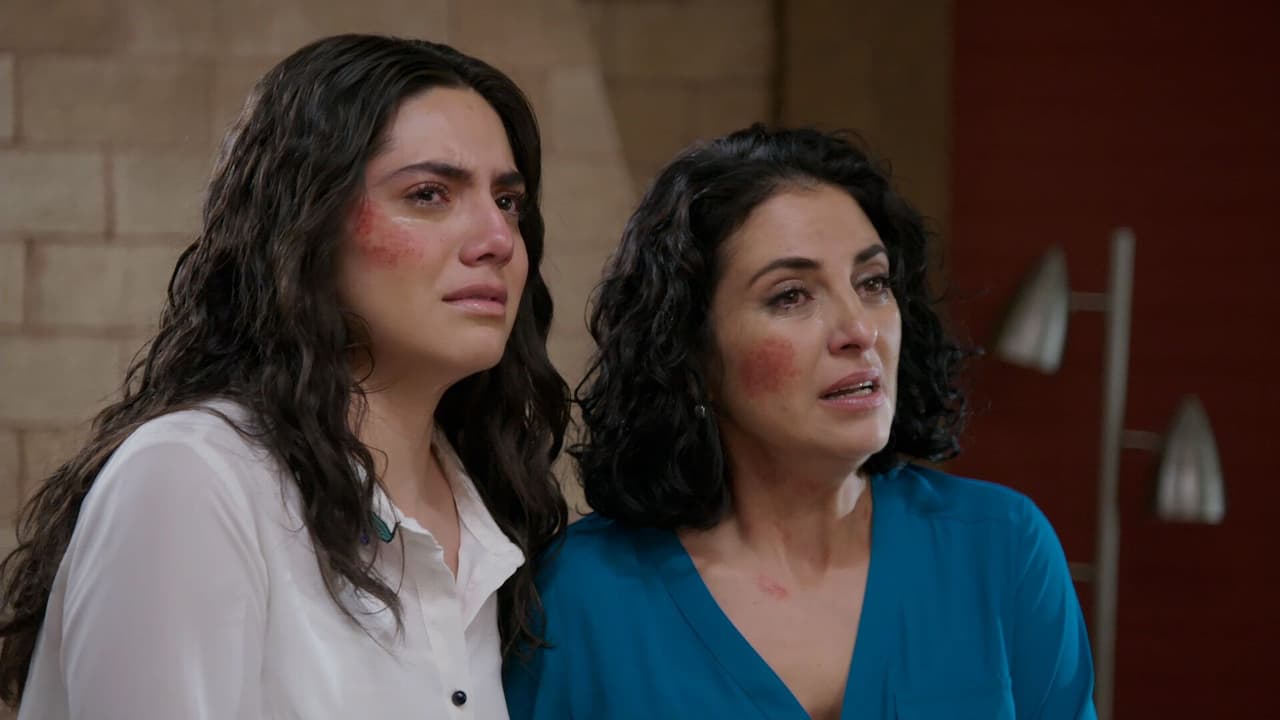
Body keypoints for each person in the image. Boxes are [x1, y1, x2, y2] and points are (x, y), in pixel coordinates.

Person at [0, 34, 568, 719]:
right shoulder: (195, 478)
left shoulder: (492, 512)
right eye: (428, 194)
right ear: (306, 223)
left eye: (507, 201)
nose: (498, 240)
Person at [505, 125, 1095, 719]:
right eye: (791, 296)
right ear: (691, 351)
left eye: (872, 283)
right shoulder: (576, 597)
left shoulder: (1001, 548)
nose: (859, 330)